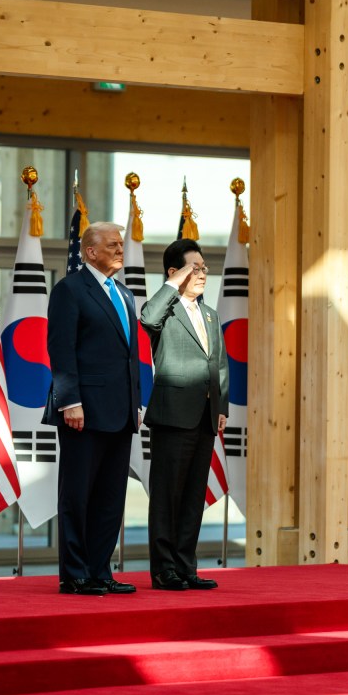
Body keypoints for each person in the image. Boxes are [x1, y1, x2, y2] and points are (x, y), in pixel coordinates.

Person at [44, 221, 139, 596]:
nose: (120, 250)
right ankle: (76, 574)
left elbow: (127, 356)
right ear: (90, 252)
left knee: (110, 497)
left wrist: (136, 403)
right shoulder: (70, 290)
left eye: (121, 244)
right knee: (78, 495)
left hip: (121, 411)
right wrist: (70, 400)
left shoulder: (126, 295)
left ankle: (101, 570)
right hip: (82, 411)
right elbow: (62, 350)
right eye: (113, 245)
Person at [140, 238, 229, 591]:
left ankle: (186, 566)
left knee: (193, 496)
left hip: (205, 416)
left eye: (205, 268)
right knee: (167, 497)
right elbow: (147, 318)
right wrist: (172, 285)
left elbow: (219, 364)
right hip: (173, 416)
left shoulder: (210, 314)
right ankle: (164, 570)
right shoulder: (165, 308)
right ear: (175, 273)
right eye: (196, 268)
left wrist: (220, 408)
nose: (203, 274)